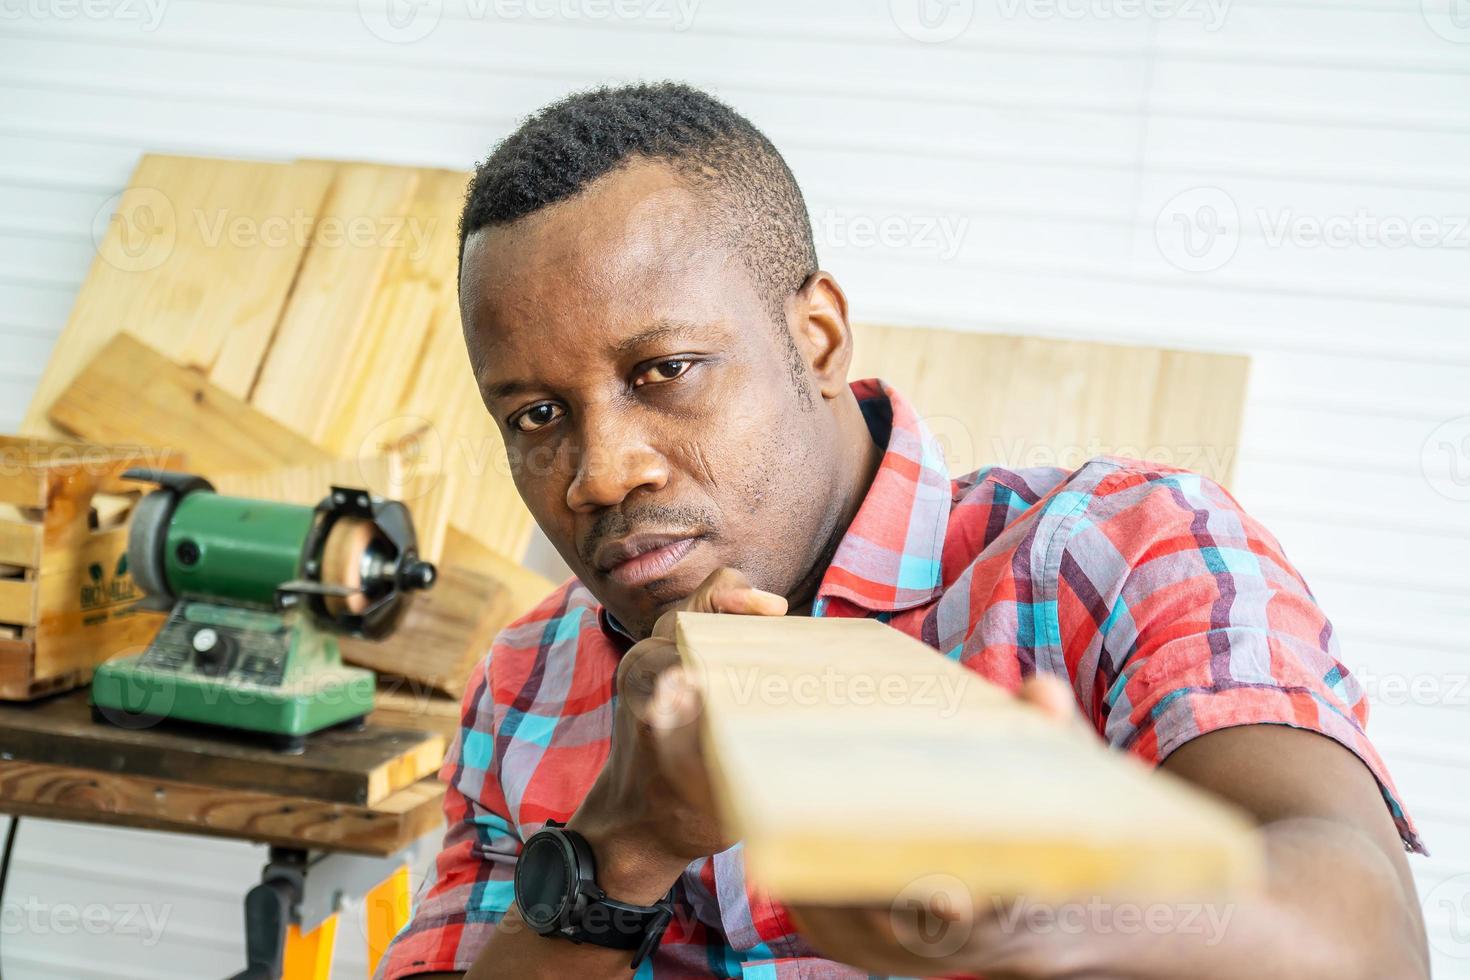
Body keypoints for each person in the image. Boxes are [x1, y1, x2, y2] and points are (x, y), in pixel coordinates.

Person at [376, 82, 1428, 979]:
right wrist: (625, 843)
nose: (602, 472)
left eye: (666, 371)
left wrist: (1067, 902)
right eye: (537, 417)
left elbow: (1368, 930)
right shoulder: (526, 678)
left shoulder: (1118, 555)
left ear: (817, 337)